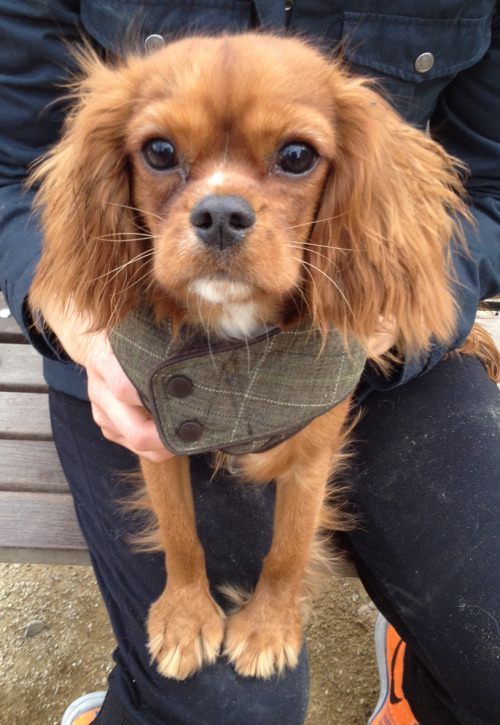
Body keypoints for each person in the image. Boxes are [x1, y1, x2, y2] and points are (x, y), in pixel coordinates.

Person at [1, 1, 500, 723]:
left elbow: (490, 187)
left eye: (293, 157)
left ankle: (413, 686)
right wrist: (79, 327)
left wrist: (400, 303)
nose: (220, 207)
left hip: (350, 314)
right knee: (220, 706)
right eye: (163, 154)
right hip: (133, 321)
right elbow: (10, 170)